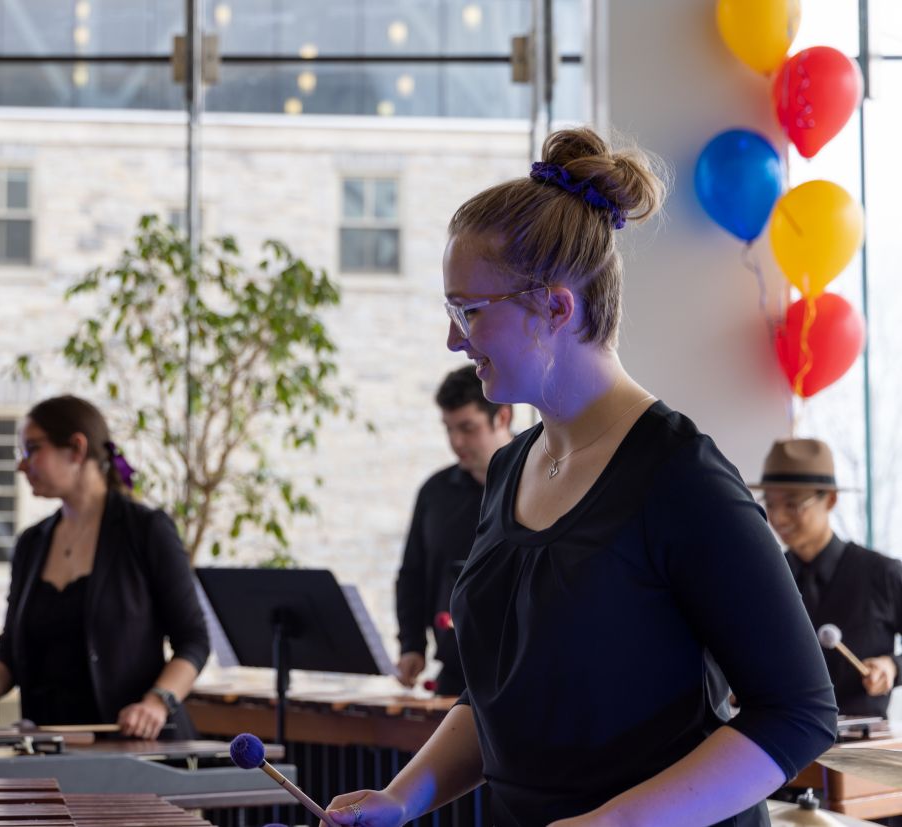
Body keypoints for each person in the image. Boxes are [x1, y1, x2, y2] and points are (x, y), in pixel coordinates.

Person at [327, 127, 836, 827]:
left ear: (556, 307)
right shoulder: (509, 467)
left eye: (468, 311)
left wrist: (612, 823)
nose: (453, 338)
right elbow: (499, 697)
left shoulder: (680, 477)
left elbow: (799, 712)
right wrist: (401, 796)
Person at [0, 395, 209, 739]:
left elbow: (193, 640)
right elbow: (10, 653)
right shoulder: (32, 543)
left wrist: (157, 702)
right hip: (50, 748)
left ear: (76, 448)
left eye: (32, 449)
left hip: (137, 748)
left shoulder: (146, 530)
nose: (21, 465)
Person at [751, 437, 902, 719]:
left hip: (863, 741)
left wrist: (892, 666)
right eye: (770, 505)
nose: (778, 518)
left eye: (792, 504)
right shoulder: (765, 579)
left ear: (830, 499)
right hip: (786, 739)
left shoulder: (882, 573)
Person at [395, 365, 512, 696]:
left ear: (502, 417)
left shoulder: (539, 480)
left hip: (519, 674)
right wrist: (411, 644)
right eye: (449, 429)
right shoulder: (435, 492)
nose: (456, 441)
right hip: (455, 672)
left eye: (467, 428)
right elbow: (412, 574)